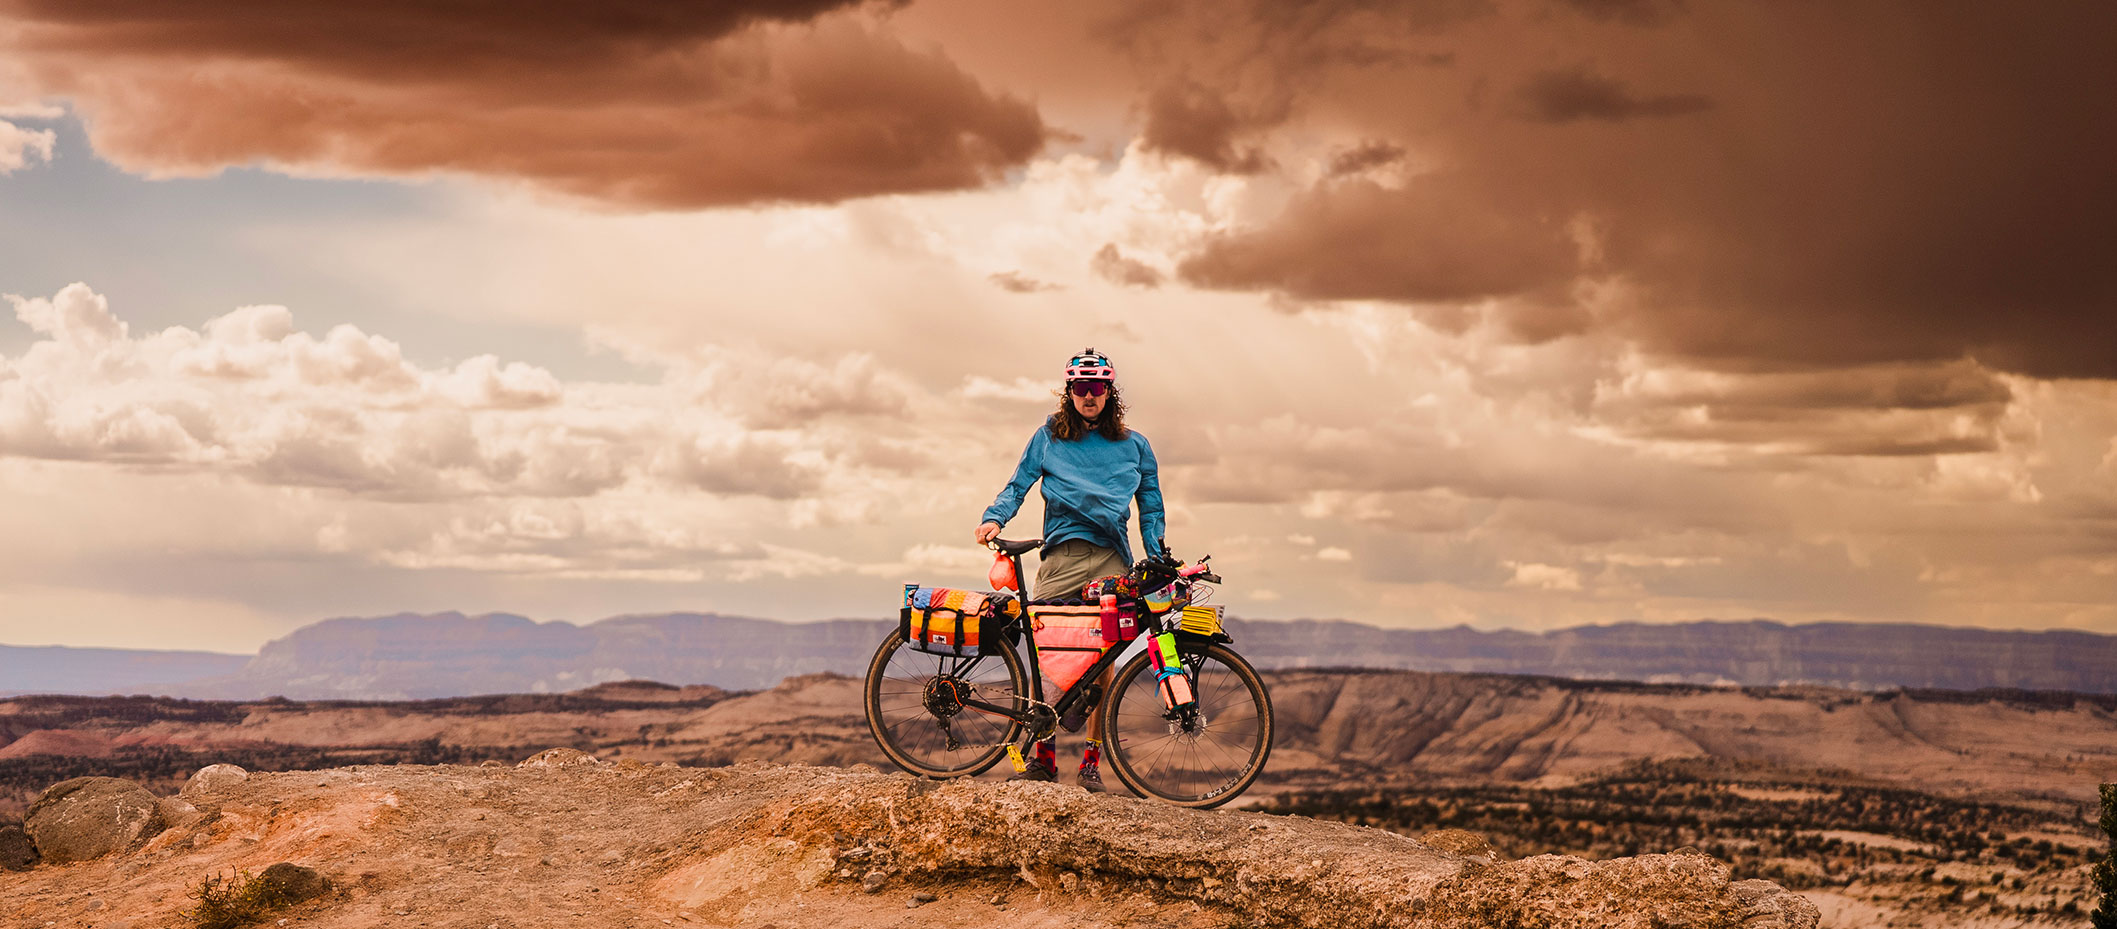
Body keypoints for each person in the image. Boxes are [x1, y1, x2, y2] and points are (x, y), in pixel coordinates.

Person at [974, 348, 1165, 792]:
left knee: (1106, 657)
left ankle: (1091, 763)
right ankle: (1043, 758)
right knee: (1048, 653)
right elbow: (1018, 483)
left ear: (1109, 392)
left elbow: (1151, 505)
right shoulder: (1049, 438)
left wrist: (1155, 552)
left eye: (1097, 387)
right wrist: (994, 517)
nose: (1089, 396)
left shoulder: (1135, 446)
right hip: (1062, 557)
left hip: (1112, 558)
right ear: (1070, 392)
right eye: (1080, 388)